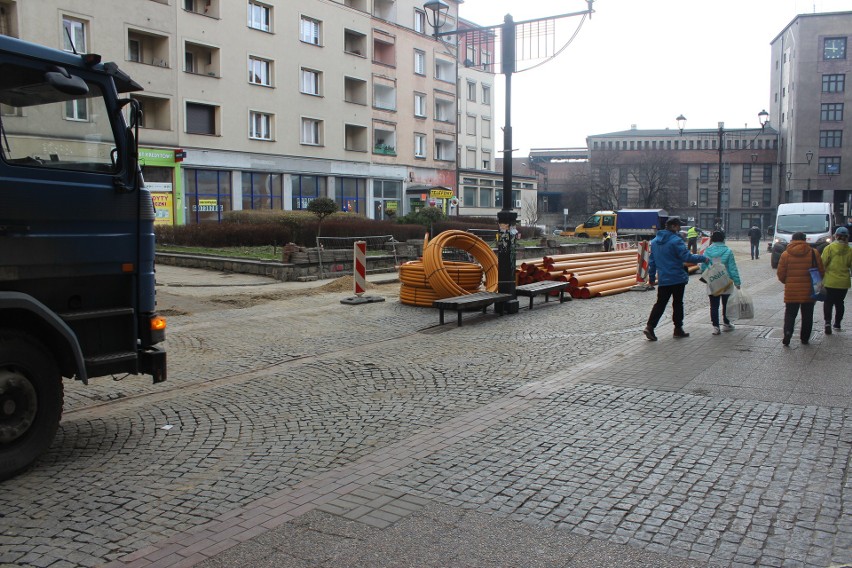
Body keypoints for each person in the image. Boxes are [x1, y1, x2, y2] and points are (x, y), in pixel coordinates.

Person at [643, 217, 709, 340]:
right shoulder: (676, 240)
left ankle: (650, 327)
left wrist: (651, 278)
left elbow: (652, 262)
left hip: (663, 279)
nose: (679, 229)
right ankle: (678, 329)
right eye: (678, 226)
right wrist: (703, 258)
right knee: (678, 303)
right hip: (677, 277)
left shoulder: (655, 241)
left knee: (660, 303)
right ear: (673, 226)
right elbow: (686, 257)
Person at [777, 231, 824, 346]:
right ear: (805, 240)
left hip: (791, 291)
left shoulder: (785, 254)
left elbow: (781, 274)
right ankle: (805, 338)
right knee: (807, 315)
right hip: (809, 291)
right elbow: (821, 271)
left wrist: (788, 282)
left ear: (792, 240)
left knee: (790, 314)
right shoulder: (814, 253)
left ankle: (787, 334)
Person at [700, 231, 741, 335]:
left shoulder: (707, 251)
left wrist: (707, 277)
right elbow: (732, 268)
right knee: (726, 304)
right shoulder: (728, 251)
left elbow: (703, 266)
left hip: (713, 280)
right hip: (726, 281)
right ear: (723, 239)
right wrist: (737, 281)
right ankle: (727, 324)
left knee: (714, 305)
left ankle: (715, 327)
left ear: (712, 239)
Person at [821, 226, 852, 334]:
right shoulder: (850, 250)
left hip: (830, 281)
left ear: (836, 236)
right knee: (840, 303)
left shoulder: (829, 248)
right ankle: (837, 323)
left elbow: (823, 263)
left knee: (828, 302)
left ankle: (827, 322)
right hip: (843, 282)